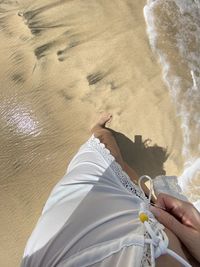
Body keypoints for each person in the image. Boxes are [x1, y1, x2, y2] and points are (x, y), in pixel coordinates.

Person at [21, 113, 200, 267]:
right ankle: (137, 186)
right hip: (143, 223)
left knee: (102, 147)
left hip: (66, 247)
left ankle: (99, 130)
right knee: (126, 179)